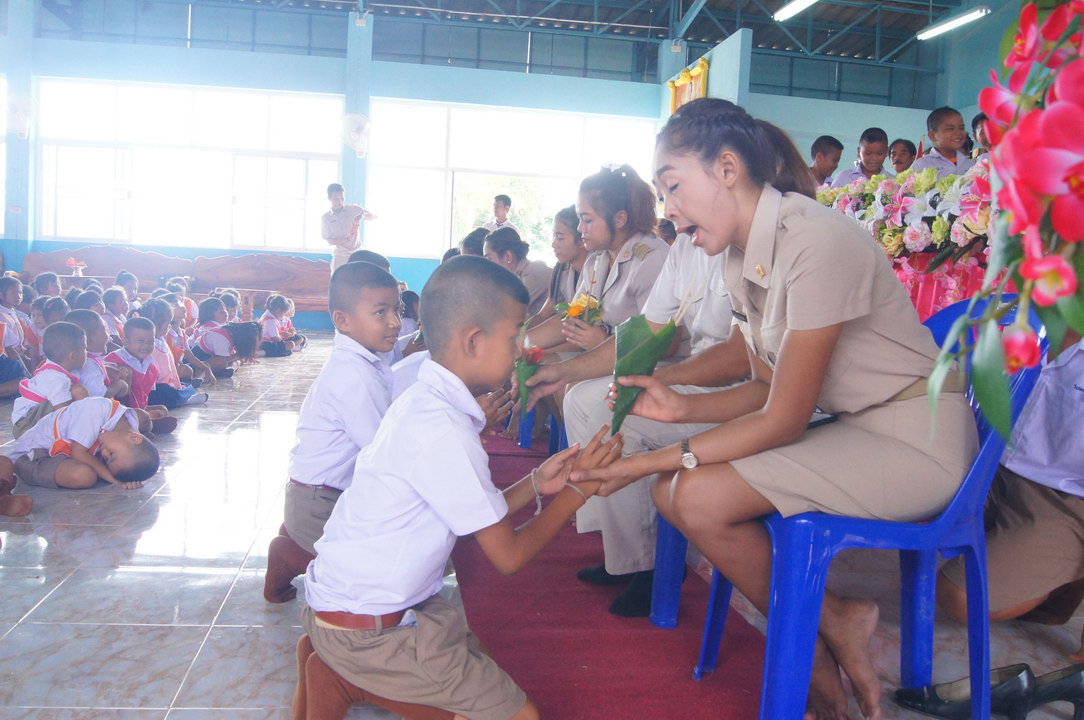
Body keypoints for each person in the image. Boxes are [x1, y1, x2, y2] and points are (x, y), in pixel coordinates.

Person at [570, 98, 979, 719]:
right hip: (857, 428)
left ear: (727, 169)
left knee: (690, 493)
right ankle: (834, 623)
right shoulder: (740, 254)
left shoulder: (815, 240)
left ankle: (818, 656)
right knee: (672, 494)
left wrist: (640, 463)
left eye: (673, 186)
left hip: (915, 443)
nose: (668, 209)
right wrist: (675, 407)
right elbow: (765, 386)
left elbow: (784, 417)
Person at [300, 255, 622, 720]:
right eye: (514, 337)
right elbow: (508, 556)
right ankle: (346, 677)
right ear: (472, 340)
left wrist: (537, 483)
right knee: (522, 717)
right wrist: (578, 491)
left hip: (354, 602)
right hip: (367, 632)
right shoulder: (443, 429)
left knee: (480, 660)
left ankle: (341, 675)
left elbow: (472, 511)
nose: (520, 352)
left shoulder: (424, 395)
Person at [530, 221, 746, 617]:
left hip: (737, 390)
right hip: (693, 375)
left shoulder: (733, 246)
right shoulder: (683, 248)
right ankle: (620, 550)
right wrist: (563, 371)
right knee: (581, 397)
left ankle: (647, 565)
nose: (670, 211)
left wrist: (658, 380)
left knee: (618, 412)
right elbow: (645, 331)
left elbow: (737, 357)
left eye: (674, 192)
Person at [938, 331, 1084, 664]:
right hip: (984, 460)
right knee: (888, 493)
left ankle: (1065, 576)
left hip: (1060, 500)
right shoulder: (1036, 312)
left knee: (961, 599)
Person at [263, 261, 402, 603]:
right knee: (371, 576)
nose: (395, 322)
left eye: (397, 310)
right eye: (381, 312)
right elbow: (382, 451)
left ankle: (297, 538)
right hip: (319, 502)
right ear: (343, 320)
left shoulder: (361, 361)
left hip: (320, 495)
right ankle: (289, 555)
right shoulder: (355, 375)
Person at [526, 165, 668, 357]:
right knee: (537, 365)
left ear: (619, 219)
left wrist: (604, 341)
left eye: (587, 220)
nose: (580, 228)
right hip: (606, 357)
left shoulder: (650, 259)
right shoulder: (598, 259)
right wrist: (519, 344)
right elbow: (571, 318)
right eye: (579, 219)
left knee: (557, 373)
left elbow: (664, 343)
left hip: (647, 364)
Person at [7, 396, 160, 490]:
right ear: (134, 438)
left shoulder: (123, 431)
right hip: (33, 457)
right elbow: (78, 453)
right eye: (112, 454)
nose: (105, 453)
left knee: (92, 470)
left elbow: (127, 462)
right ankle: (14, 469)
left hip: (61, 456)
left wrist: (126, 479)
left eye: (107, 460)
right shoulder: (97, 410)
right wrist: (114, 480)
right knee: (84, 476)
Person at [11, 321, 89, 439]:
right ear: (72, 355)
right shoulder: (57, 379)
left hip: (26, 422)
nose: (87, 353)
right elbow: (62, 413)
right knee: (78, 391)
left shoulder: (51, 368)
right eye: (85, 348)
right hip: (26, 426)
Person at [139, 298, 207, 409]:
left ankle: (182, 394)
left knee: (185, 386)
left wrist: (177, 385)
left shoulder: (162, 340)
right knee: (167, 393)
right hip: (155, 388)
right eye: (168, 324)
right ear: (156, 326)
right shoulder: (148, 347)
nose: (170, 327)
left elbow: (172, 369)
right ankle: (184, 399)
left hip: (169, 383)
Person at [483, 227, 552, 317]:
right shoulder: (517, 277)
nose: (486, 266)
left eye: (489, 259)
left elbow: (503, 313)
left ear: (508, 256)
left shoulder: (533, 273)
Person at [65, 309, 129, 401]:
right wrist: (120, 385)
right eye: (104, 330)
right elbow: (98, 396)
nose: (108, 336)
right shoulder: (89, 365)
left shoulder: (75, 360)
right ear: (89, 340)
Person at [910, 106, 974, 179]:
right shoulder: (922, 165)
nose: (958, 132)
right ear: (932, 135)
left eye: (961, 128)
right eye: (950, 129)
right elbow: (907, 185)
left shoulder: (970, 165)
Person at [322, 183, 372, 272]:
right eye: (336, 199)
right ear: (329, 198)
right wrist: (346, 239)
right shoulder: (326, 218)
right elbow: (330, 241)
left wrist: (362, 216)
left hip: (358, 255)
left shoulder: (353, 209)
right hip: (340, 256)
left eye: (342, 198)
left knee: (360, 279)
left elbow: (373, 217)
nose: (340, 202)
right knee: (337, 279)